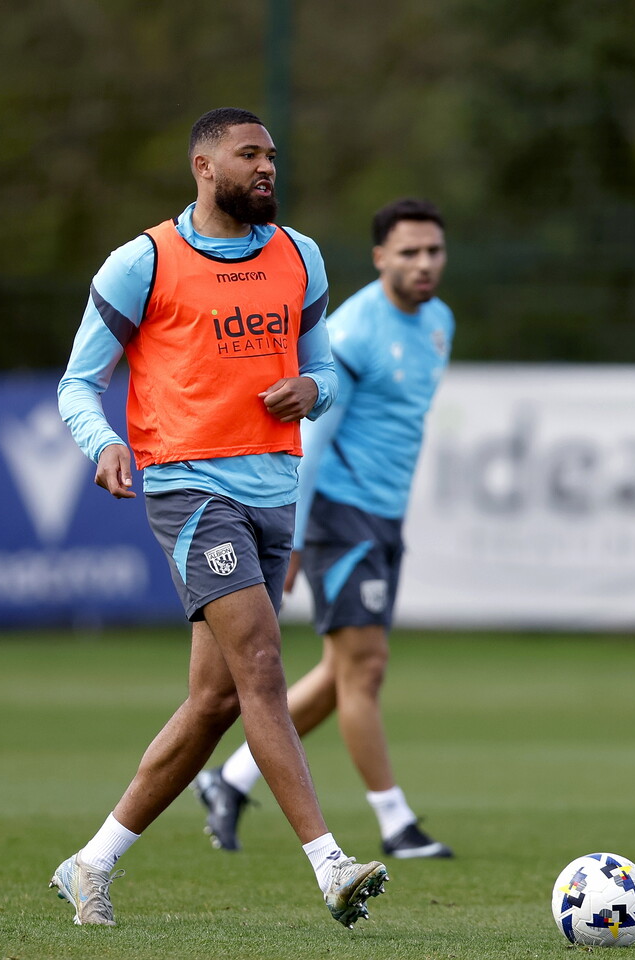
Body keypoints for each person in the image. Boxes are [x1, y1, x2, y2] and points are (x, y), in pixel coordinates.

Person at [51, 107, 388, 929]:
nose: (267, 167)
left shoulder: (299, 256)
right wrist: (104, 445)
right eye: (250, 155)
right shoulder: (145, 262)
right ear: (204, 166)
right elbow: (75, 384)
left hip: (276, 490)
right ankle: (330, 864)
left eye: (272, 155)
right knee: (264, 664)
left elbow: (324, 375)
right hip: (191, 490)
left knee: (215, 701)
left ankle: (89, 864)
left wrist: (315, 390)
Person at [194, 198, 455, 861]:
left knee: (344, 672)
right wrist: (296, 537)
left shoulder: (439, 323)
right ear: (379, 258)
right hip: (342, 517)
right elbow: (311, 435)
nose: (424, 264)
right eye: (409, 252)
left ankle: (230, 779)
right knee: (364, 672)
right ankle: (396, 824)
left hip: (384, 517)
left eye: (434, 251)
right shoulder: (356, 330)